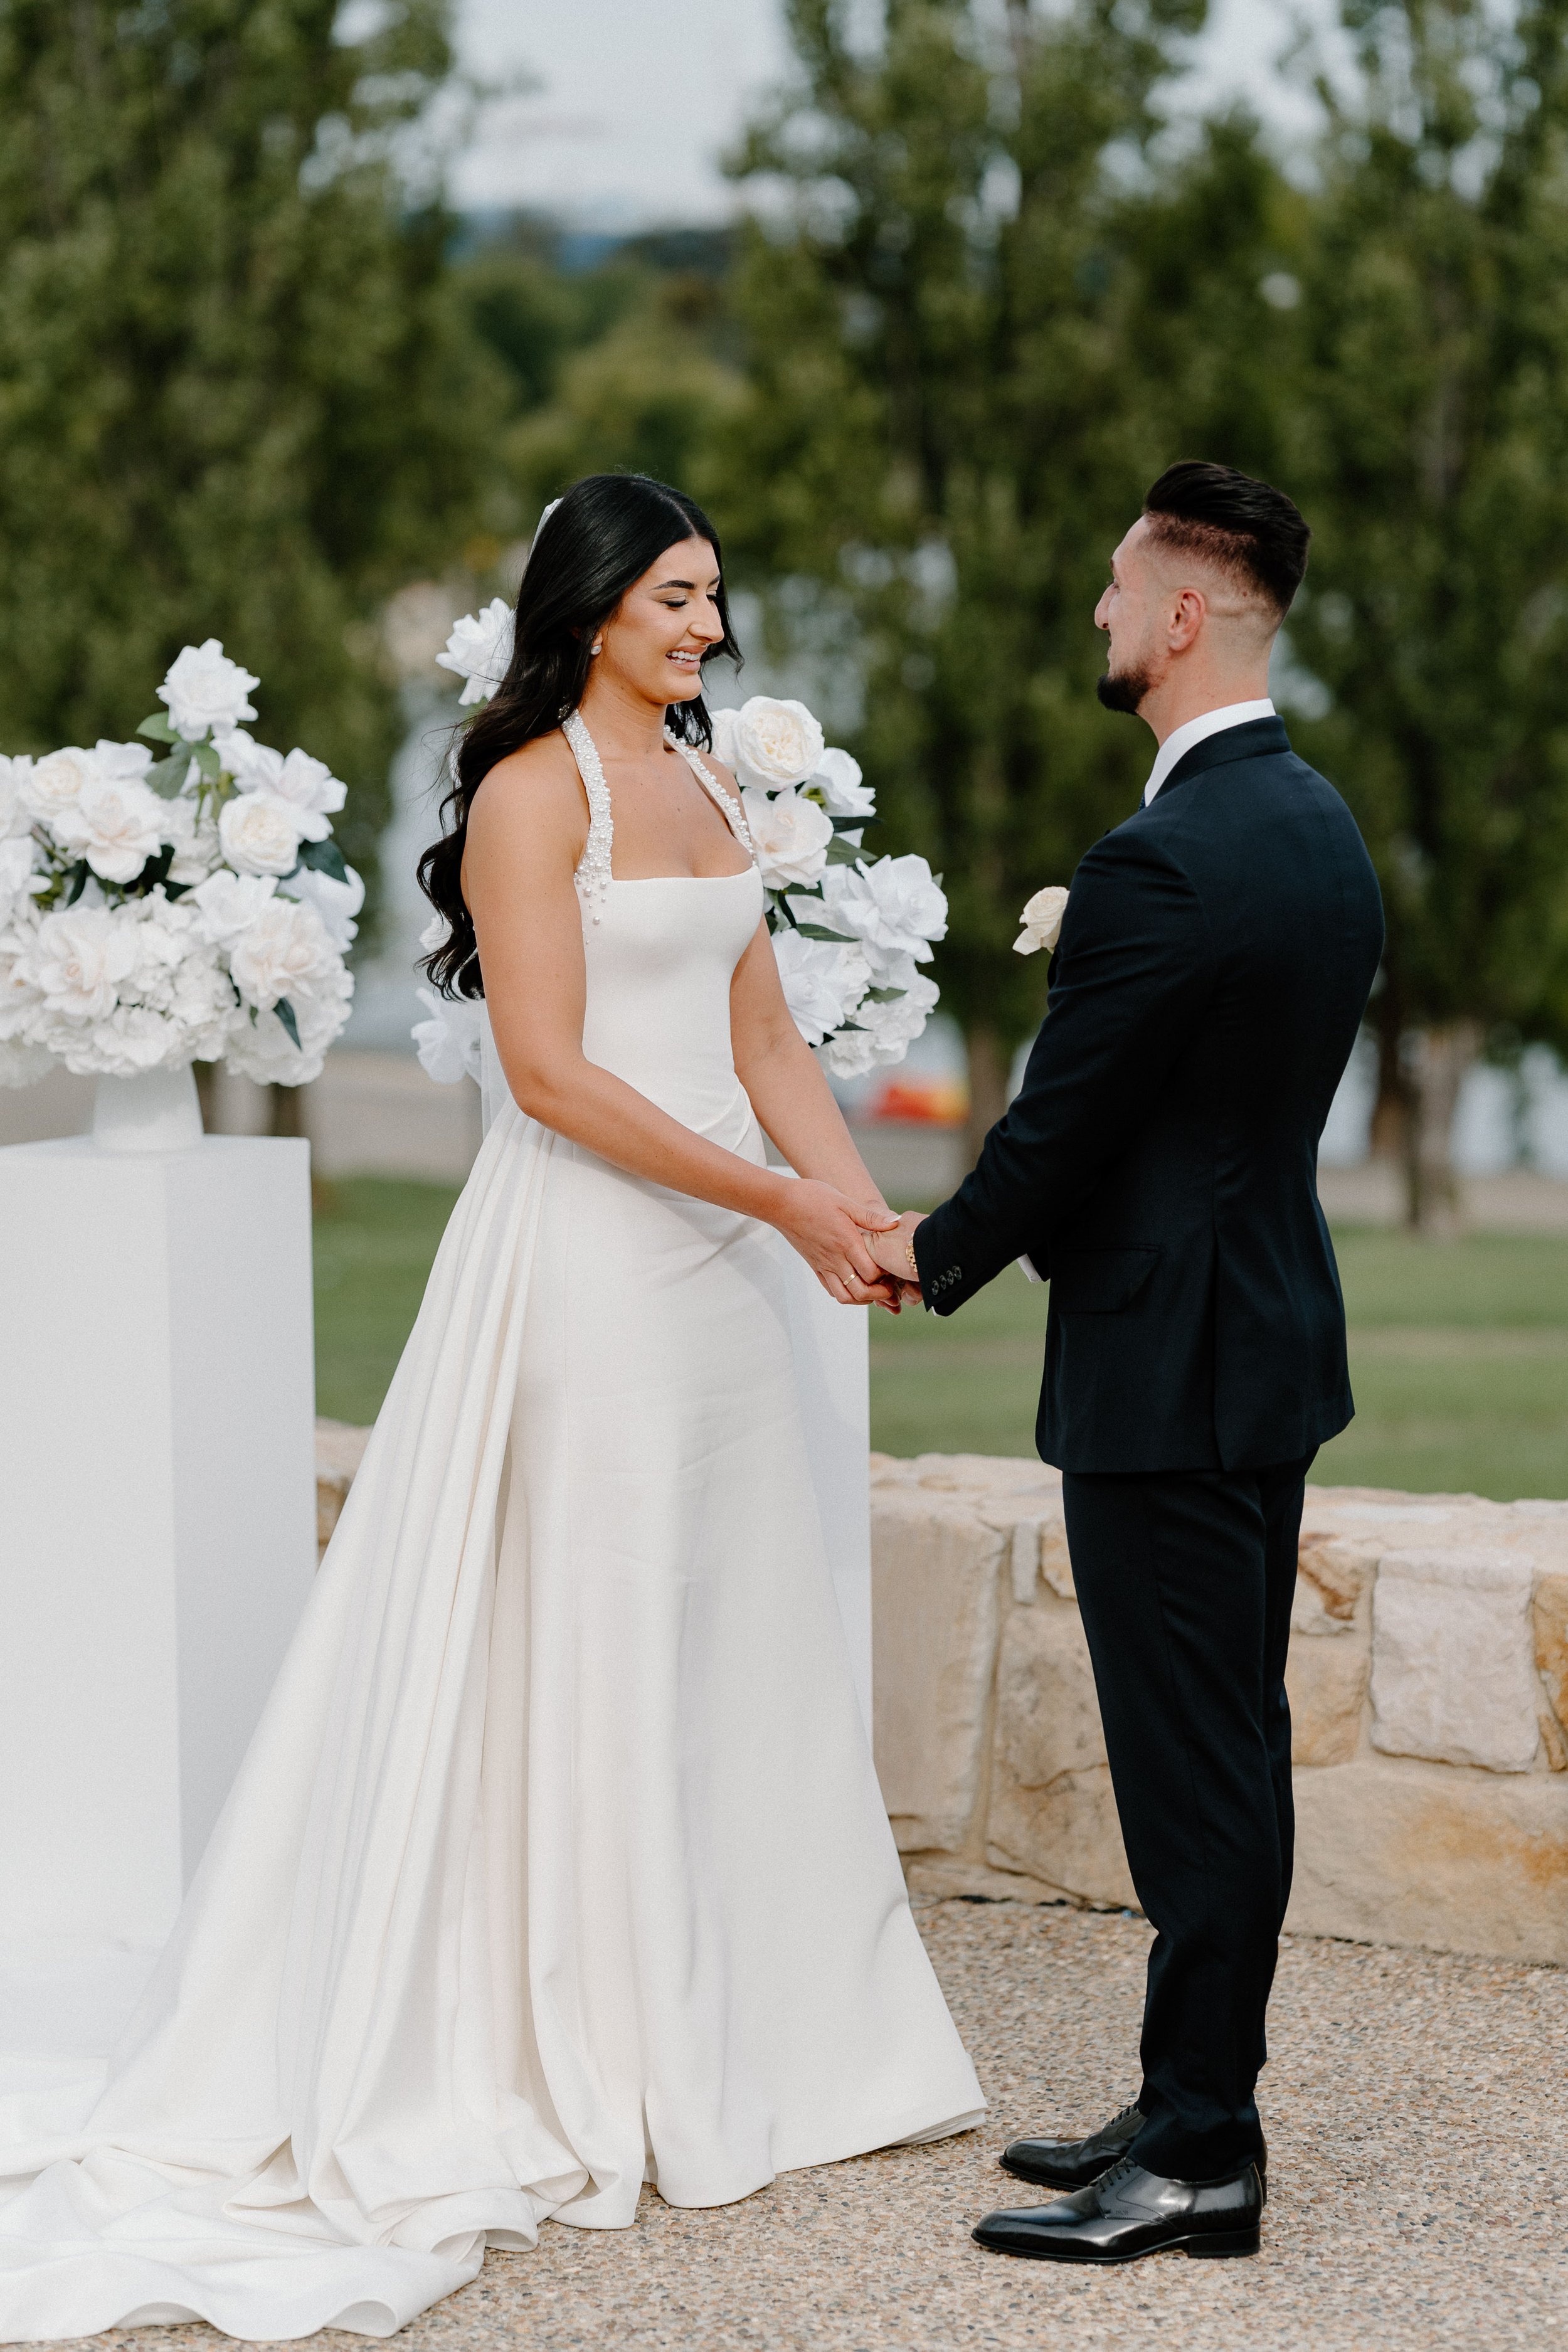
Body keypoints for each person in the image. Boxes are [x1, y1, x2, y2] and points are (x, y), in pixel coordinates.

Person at [0, 474, 982, 2341]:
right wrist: (768, 1200)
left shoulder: (710, 788)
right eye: (678, 596)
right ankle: (598, 2039)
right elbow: (544, 1074)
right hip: (601, 1263)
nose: (707, 625)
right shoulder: (539, 790)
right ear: (596, 601)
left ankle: (772, 2032)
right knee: (599, 1625)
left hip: (729, 1268)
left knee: (730, 1632)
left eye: (715, 597)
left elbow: (766, 1037)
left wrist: (853, 1211)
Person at [869, 461, 1384, 2265]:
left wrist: (921, 1257)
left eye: (1113, 590)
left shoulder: (1160, 855)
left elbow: (1060, 1128)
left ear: (1182, 614)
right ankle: (1179, 2106)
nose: (1095, 614)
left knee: (1194, 1775)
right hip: (1264, 1347)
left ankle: (1200, 2158)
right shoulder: (1314, 821)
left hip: (1167, 1376)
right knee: (1225, 1749)